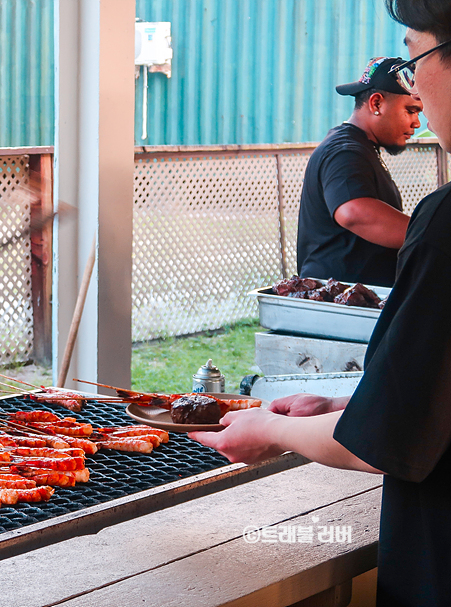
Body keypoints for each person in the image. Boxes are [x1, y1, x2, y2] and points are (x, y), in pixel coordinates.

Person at [192, 2, 451, 603]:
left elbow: (383, 438)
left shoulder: (445, 226)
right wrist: (346, 397)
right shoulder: (348, 152)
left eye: (416, 57)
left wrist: (267, 429)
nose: (418, 96)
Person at [296, 56, 423, 287]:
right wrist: (431, 235)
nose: (417, 123)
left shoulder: (362, 148)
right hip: (339, 310)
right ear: (376, 103)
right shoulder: (345, 151)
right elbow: (353, 212)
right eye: (411, 110)